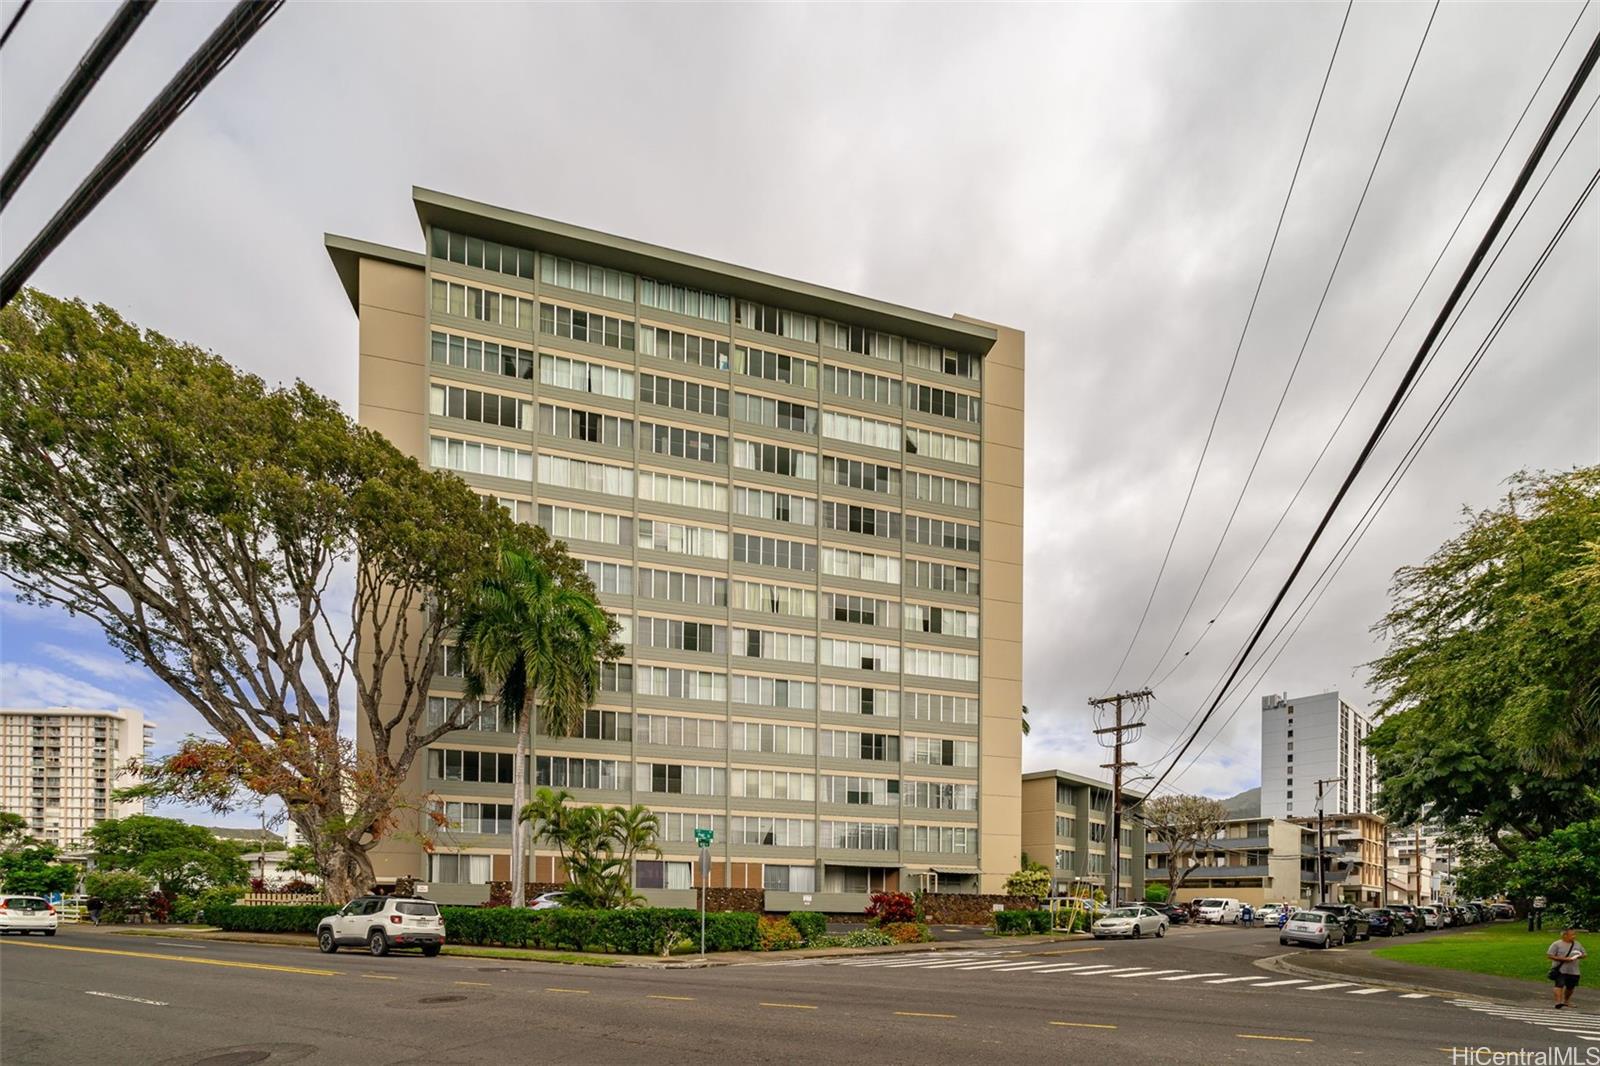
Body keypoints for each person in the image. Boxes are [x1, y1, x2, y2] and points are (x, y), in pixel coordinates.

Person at [1549, 927, 1586, 1008]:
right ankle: (1558, 1002)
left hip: (1573, 969)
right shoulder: (1556, 944)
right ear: (1564, 935)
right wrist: (1564, 959)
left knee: (1570, 987)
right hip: (1560, 969)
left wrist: (1578, 955)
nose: (1574, 936)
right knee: (1559, 985)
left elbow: (1584, 954)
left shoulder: (1577, 944)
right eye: (1572, 935)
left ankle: (1566, 1001)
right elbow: (1550, 955)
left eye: (1574, 934)